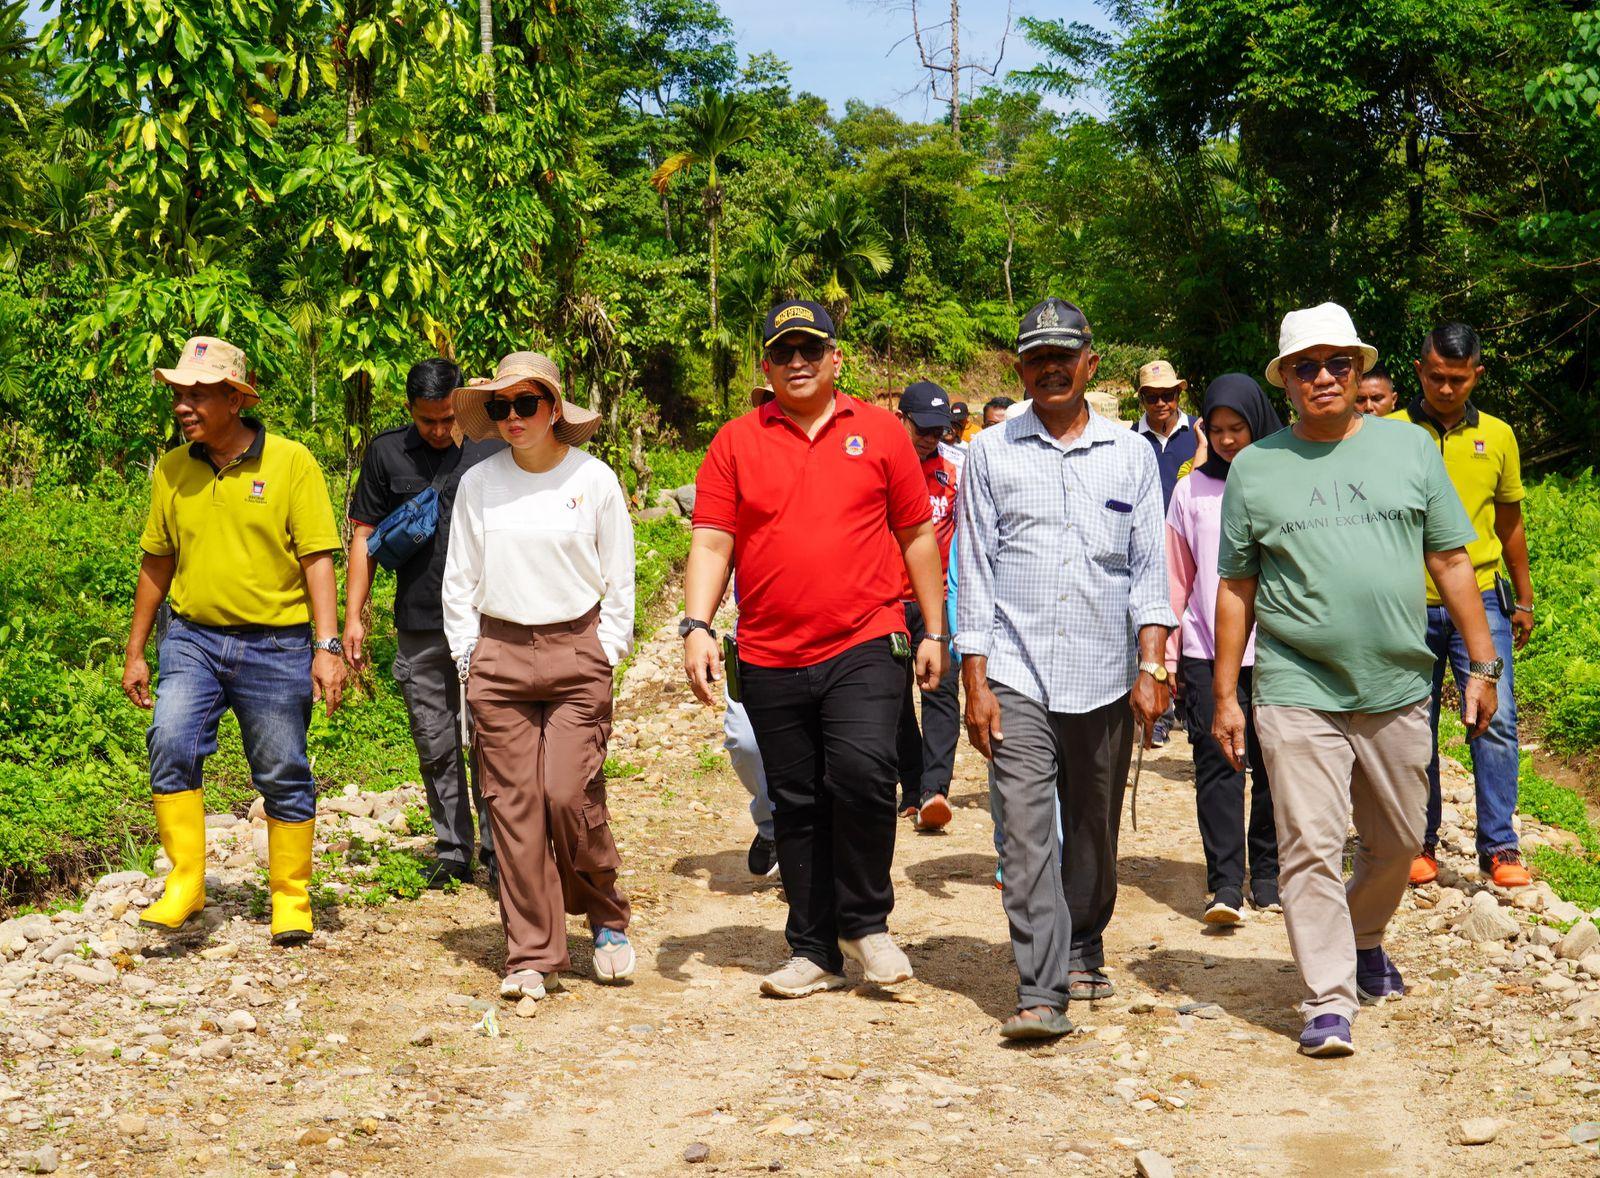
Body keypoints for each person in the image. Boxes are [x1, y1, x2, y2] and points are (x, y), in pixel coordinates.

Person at [1213, 302, 1500, 1058]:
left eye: (1338, 362)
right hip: (1295, 685)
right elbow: (1236, 586)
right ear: (1286, 381)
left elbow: (1451, 560)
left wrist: (1483, 663)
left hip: (1398, 684)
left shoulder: (1408, 449)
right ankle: (1328, 1001)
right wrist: (1223, 696)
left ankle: (1365, 934)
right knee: (1308, 842)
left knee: (1400, 839)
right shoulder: (1256, 466)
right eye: (1306, 367)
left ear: (1359, 368)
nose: (1324, 377)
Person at [684, 300, 948, 999]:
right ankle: (812, 949)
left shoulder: (884, 434)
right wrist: (697, 625)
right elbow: (712, 538)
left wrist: (935, 630)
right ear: (765, 366)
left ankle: (866, 924)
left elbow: (917, 535)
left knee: (863, 776)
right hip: (770, 652)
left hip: (866, 638)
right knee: (796, 800)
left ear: (836, 358)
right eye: (782, 352)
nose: (796, 362)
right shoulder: (736, 441)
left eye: (810, 349)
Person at [958, 297, 1175, 1041]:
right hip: (1016, 670)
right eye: (1035, 357)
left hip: (1106, 672)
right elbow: (974, 572)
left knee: (1092, 827)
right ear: (1018, 368)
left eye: (1064, 355)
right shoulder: (989, 454)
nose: (1050, 367)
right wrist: (975, 677)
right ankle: (1040, 983)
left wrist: (1152, 664)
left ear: (1090, 362)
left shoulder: (1131, 454)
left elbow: (1151, 569)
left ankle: (1085, 937)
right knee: (1023, 833)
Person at [123, 336, 346, 947]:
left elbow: (318, 558)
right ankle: (187, 883)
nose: (183, 406)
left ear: (233, 398)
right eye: (178, 395)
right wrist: (136, 647)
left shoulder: (291, 462)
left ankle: (291, 898)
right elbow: (156, 561)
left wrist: (327, 647)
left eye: (197, 394)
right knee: (169, 738)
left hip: (276, 644)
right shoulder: (173, 469)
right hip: (193, 638)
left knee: (281, 767)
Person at [442, 351, 637, 1001]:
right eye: (499, 407)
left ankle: (605, 914)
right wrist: (470, 659)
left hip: (576, 650)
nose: (513, 417)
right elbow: (459, 581)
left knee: (564, 793)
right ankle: (532, 952)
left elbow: (619, 577)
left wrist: (607, 648)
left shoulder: (595, 479)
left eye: (526, 404)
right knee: (513, 808)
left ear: (554, 407)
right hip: (498, 655)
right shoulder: (479, 484)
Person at [345, 358, 504, 889]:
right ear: (410, 411)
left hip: (488, 620)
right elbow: (363, 534)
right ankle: (452, 848)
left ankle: (500, 848)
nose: (438, 431)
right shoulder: (387, 452)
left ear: (461, 404)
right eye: (426, 420)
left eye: (447, 419)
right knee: (435, 740)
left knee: (491, 739)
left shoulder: (494, 445)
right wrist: (354, 617)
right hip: (419, 622)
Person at [1390, 323, 1534, 888]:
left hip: (1484, 610)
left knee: (1495, 719)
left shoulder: (1498, 436)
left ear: (1477, 373)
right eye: (1434, 377)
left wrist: (1523, 598)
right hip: (1406, 606)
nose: (1445, 389)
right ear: (1420, 370)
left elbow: (1510, 522)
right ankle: (1417, 842)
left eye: (1457, 379)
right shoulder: (1390, 434)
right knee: (1412, 724)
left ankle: (1500, 847)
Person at [1165, 375, 1283, 924]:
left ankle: (1268, 873)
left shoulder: (1285, 480)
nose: (1229, 440)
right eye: (1218, 430)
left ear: (1258, 424)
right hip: (1209, 650)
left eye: (1239, 429)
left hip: (1280, 651)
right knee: (1218, 765)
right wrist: (1165, 656)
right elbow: (1176, 578)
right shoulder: (1190, 490)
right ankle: (1225, 885)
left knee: (1275, 765)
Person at [893, 381, 963, 833]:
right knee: (893, 698)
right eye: (922, 428)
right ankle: (912, 782)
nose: (931, 438)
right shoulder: (880, 468)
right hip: (887, 601)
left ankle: (935, 790)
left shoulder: (954, 471)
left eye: (940, 431)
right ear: (901, 419)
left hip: (936, 600)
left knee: (940, 689)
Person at [729, 383, 780, 879]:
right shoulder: (739, 461)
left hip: (825, 639)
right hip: (754, 631)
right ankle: (772, 822)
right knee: (744, 741)